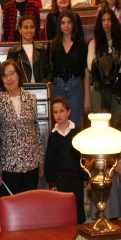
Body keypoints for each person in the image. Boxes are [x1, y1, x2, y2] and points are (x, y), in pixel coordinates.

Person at [0, 60, 42, 195]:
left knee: (29, 205)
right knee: (12, 207)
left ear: (18, 75)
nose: (9, 78)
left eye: (11, 73)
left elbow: (36, 128)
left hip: (31, 162)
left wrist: (40, 160)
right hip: (9, 164)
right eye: (5, 75)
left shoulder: (31, 98)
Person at [44, 96, 86, 224]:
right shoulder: (53, 136)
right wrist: (51, 182)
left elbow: (82, 157)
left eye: (61, 111)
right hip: (59, 180)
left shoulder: (77, 132)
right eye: (55, 112)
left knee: (77, 212)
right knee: (62, 214)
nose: (58, 115)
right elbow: (49, 160)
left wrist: (85, 177)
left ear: (68, 112)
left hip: (76, 180)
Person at [49, 8, 89, 129]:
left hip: (75, 88)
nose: (66, 25)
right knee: (59, 125)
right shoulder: (52, 45)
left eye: (69, 22)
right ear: (59, 25)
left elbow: (86, 72)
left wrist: (87, 97)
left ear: (74, 24)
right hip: (58, 88)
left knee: (74, 127)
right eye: (63, 22)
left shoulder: (81, 46)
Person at [88, 7, 121, 120]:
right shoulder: (93, 42)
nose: (106, 23)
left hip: (119, 88)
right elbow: (91, 66)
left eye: (109, 19)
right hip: (99, 88)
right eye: (103, 20)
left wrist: (101, 63)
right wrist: (114, 60)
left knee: (118, 123)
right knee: (101, 124)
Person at [6, 14, 49, 83]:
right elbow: (9, 73)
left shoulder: (41, 49)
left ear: (35, 29)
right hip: (21, 89)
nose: (29, 30)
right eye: (26, 27)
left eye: (32, 27)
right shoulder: (13, 52)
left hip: (40, 89)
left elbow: (48, 73)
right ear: (20, 29)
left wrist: (42, 86)